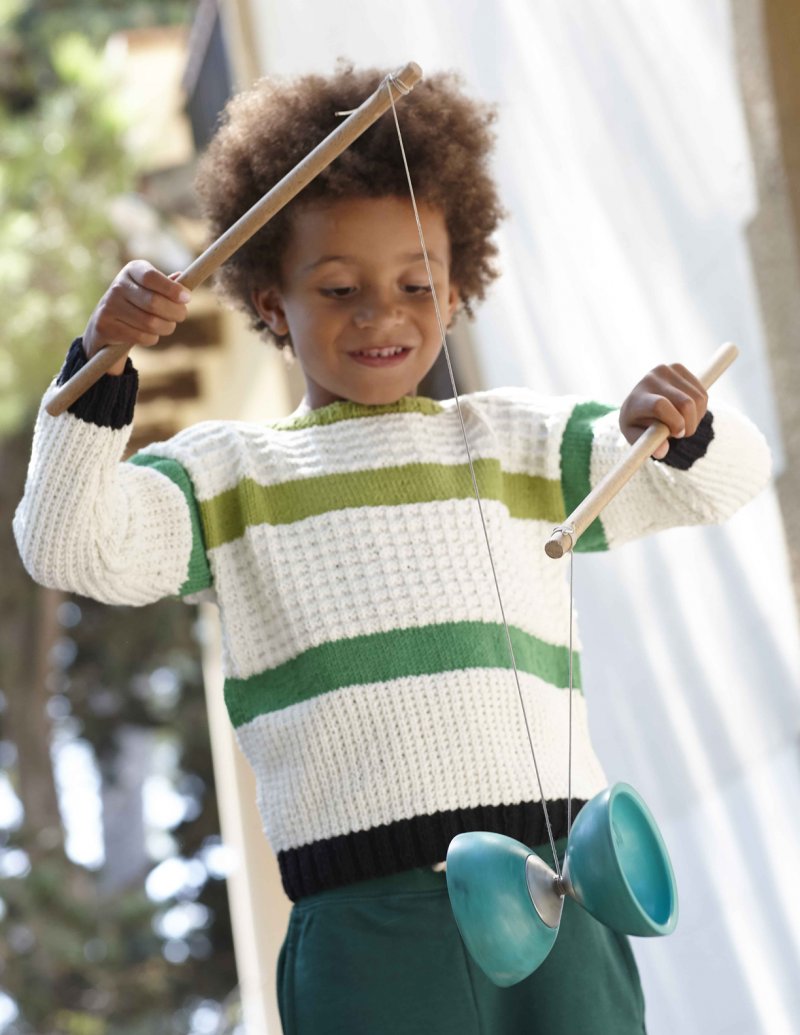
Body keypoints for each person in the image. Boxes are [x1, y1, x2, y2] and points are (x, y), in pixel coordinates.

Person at [15, 65, 770, 1034]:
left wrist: (681, 427)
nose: (382, 314)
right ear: (270, 301)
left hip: (559, 897)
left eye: (417, 284)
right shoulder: (224, 476)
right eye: (338, 288)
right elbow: (68, 545)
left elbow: (725, 479)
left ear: (455, 293)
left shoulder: (523, 441)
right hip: (367, 930)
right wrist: (99, 360)